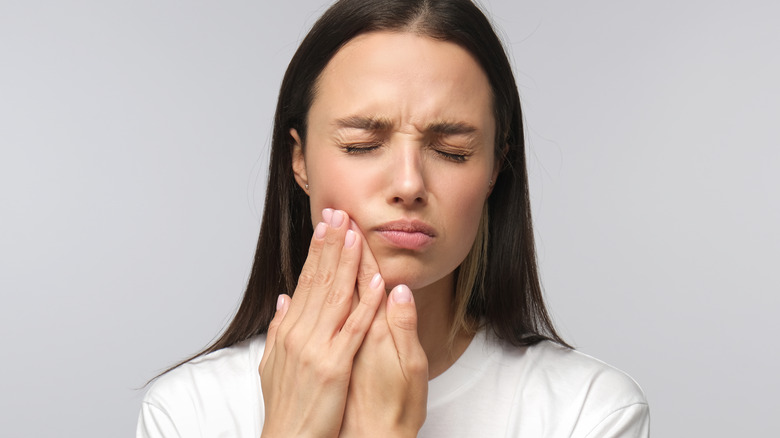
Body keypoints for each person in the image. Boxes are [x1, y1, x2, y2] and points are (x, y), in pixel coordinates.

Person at [137, 0, 650, 436]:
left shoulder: (588, 412)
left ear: (495, 167)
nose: (409, 184)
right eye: (362, 145)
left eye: (451, 150)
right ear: (299, 161)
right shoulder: (190, 412)